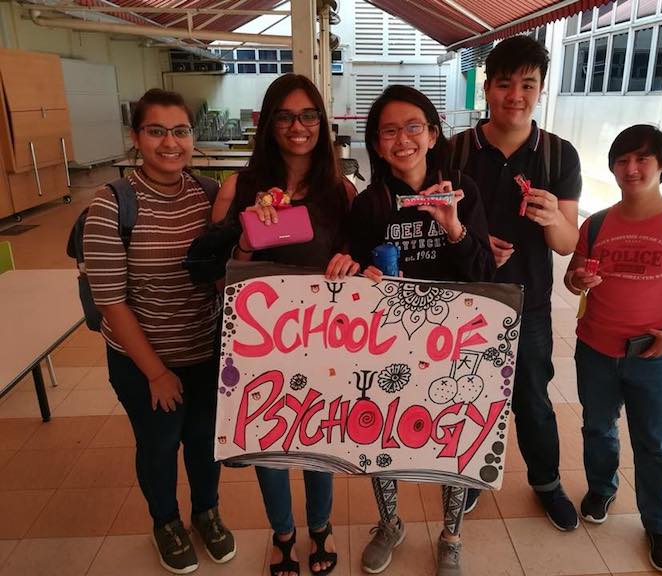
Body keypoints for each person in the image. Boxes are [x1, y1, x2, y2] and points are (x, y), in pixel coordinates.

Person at [330, 84, 494, 576]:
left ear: (433, 133)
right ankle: (391, 522)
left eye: (413, 127)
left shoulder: (462, 189)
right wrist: (357, 273)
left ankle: (451, 536)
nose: (403, 139)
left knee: (454, 438)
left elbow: (483, 274)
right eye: (389, 131)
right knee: (380, 435)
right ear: (377, 145)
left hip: (454, 342)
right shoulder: (370, 204)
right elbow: (355, 280)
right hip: (388, 344)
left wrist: (454, 227)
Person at [83, 88, 236, 574]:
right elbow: (110, 299)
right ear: (136, 138)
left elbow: (226, 270)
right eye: (156, 131)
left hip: (206, 350)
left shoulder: (209, 195)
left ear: (193, 138)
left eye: (180, 131)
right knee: (159, 443)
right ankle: (166, 521)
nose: (170, 142)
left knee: (205, 439)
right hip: (142, 359)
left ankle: (206, 512)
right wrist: (155, 373)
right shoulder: (112, 205)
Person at [211, 73, 356, 576]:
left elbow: (358, 267)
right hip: (257, 344)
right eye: (286, 116)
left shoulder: (341, 191)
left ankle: (320, 527)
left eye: (309, 114)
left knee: (318, 437)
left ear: (322, 121)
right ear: (269, 123)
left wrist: (351, 263)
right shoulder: (240, 188)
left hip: (322, 340)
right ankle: (283, 533)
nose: (299, 126)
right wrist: (249, 236)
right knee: (268, 441)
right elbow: (216, 276)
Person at [564, 124, 662, 573]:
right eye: (622, 160)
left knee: (656, 444)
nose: (630, 169)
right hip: (595, 349)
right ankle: (602, 487)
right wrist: (577, 279)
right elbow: (573, 277)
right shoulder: (595, 224)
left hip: (654, 355)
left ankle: (661, 523)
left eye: (642, 159)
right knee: (597, 427)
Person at [451, 35, 582, 530]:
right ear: (487, 89)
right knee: (464, 393)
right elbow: (433, 224)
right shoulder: (457, 149)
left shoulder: (557, 155)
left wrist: (550, 217)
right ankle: (467, 479)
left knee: (531, 394)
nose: (516, 95)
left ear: (541, 89)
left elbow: (567, 243)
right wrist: (475, 243)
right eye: (505, 84)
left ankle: (546, 481)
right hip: (464, 300)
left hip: (529, 304)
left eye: (528, 84)